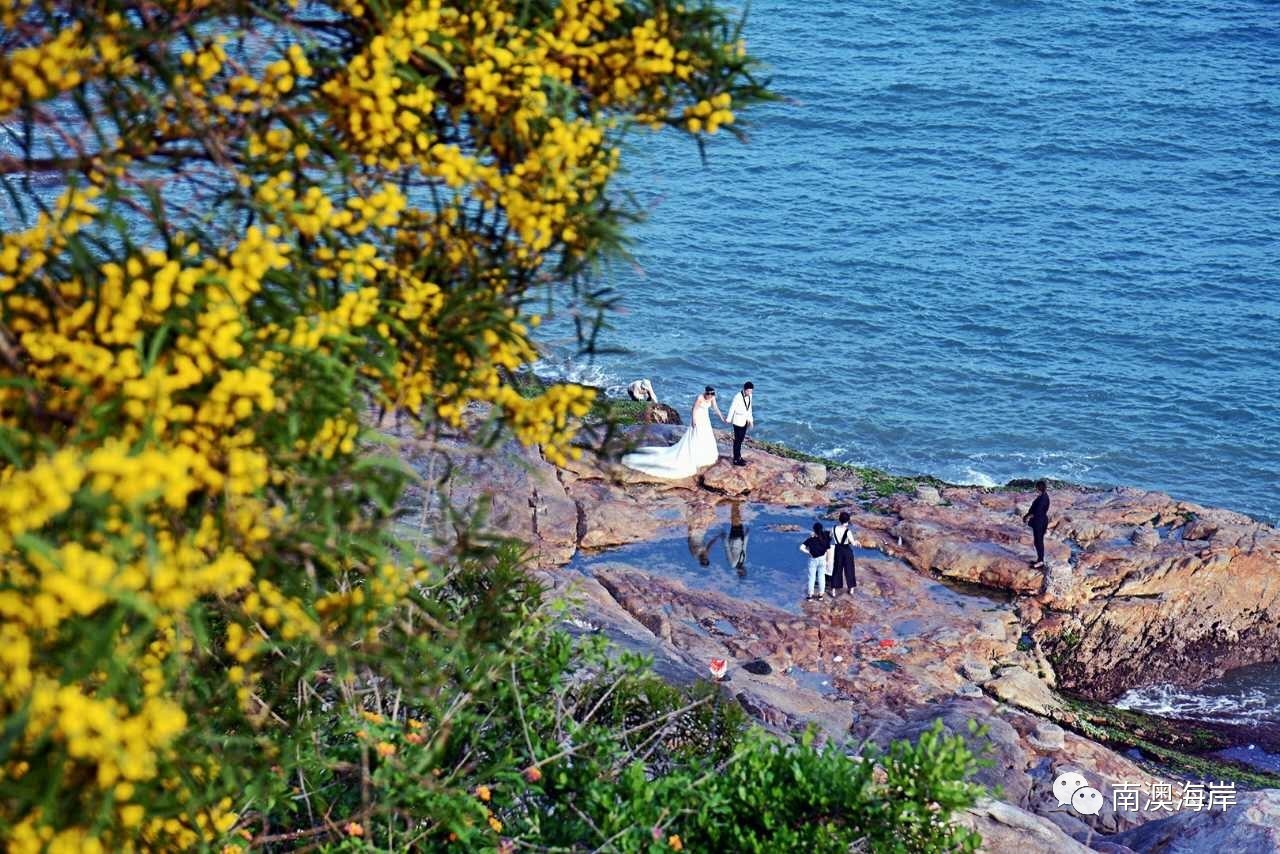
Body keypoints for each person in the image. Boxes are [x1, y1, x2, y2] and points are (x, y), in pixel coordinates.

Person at [621, 385, 724, 479]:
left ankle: (704, 454)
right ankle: (694, 455)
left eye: (712, 394)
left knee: (705, 435)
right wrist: (693, 421)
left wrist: (721, 416)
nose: (711, 396)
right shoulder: (700, 398)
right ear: (706, 393)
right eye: (709, 394)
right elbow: (693, 410)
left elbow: (715, 408)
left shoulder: (712, 398)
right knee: (696, 435)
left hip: (705, 419)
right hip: (698, 418)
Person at [1022, 480, 1050, 569]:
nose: (1035, 489)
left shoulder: (1043, 499)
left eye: (1036, 488)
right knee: (1037, 541)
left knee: (1038, 541)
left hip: (1040, 521)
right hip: (1040, 520)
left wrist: (1027, 517)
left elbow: (1037, 511)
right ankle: (1039, 559)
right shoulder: (1043, 496)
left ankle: (1041, 561)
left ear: (1039, 488)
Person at [799, 522, 830, 601]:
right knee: (821, 577)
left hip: (813, 559)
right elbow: (828, 549)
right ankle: (820, 595)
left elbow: (801, 548)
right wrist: (827, 561)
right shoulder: (825, 539)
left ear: (814, 530)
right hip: (823, 559)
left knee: (811, 577)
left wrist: (808, 552)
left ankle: (810, 595)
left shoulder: (810, 540)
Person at [725, 381, 754, 466]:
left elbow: (749, 409)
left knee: (741, 440)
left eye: (751, 391)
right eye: (749, 391)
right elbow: (732, 408)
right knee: (737, 441)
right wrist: (729, 419)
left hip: (744, 421)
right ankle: (736, 459)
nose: (750, 393)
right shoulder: (737, 397)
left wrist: (750, 420)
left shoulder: (750, 396)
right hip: (737, 421)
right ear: (744, 390)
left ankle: (739, 457)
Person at [829, 511, 858, 594]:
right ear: (848, 520)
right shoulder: (847, 531)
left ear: (839, 520)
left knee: (837, 569)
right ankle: (851, 588)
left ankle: (833, 590)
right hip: (846, 550)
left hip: (837, 550)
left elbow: (830, 536)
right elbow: (853, 543)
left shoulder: (833, 528)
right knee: (849, 569)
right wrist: (856, 542)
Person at [725, 502, 749, 577]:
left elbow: (728, 551)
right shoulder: (743, 560)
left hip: (734, 539)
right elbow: (744, 548)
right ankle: (736, 505)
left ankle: (734, 504)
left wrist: (725, 540)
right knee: (738, 521)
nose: (743, 570)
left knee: (735, 521)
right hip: (740, 538)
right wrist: (746, 536)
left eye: (741, 572)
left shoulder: (733, 563)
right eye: (744, 571)